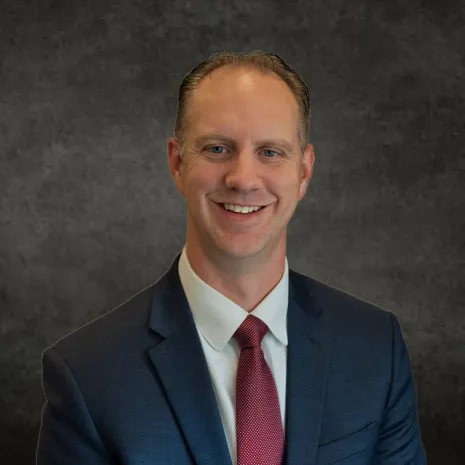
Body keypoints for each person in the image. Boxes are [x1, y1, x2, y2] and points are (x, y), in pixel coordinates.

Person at [36, 50, 426, 465]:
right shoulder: (88, 373)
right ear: (178, 164)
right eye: (218, 148)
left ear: (304, 172)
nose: (243, 179)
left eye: (270, 152)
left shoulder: (375, 348)